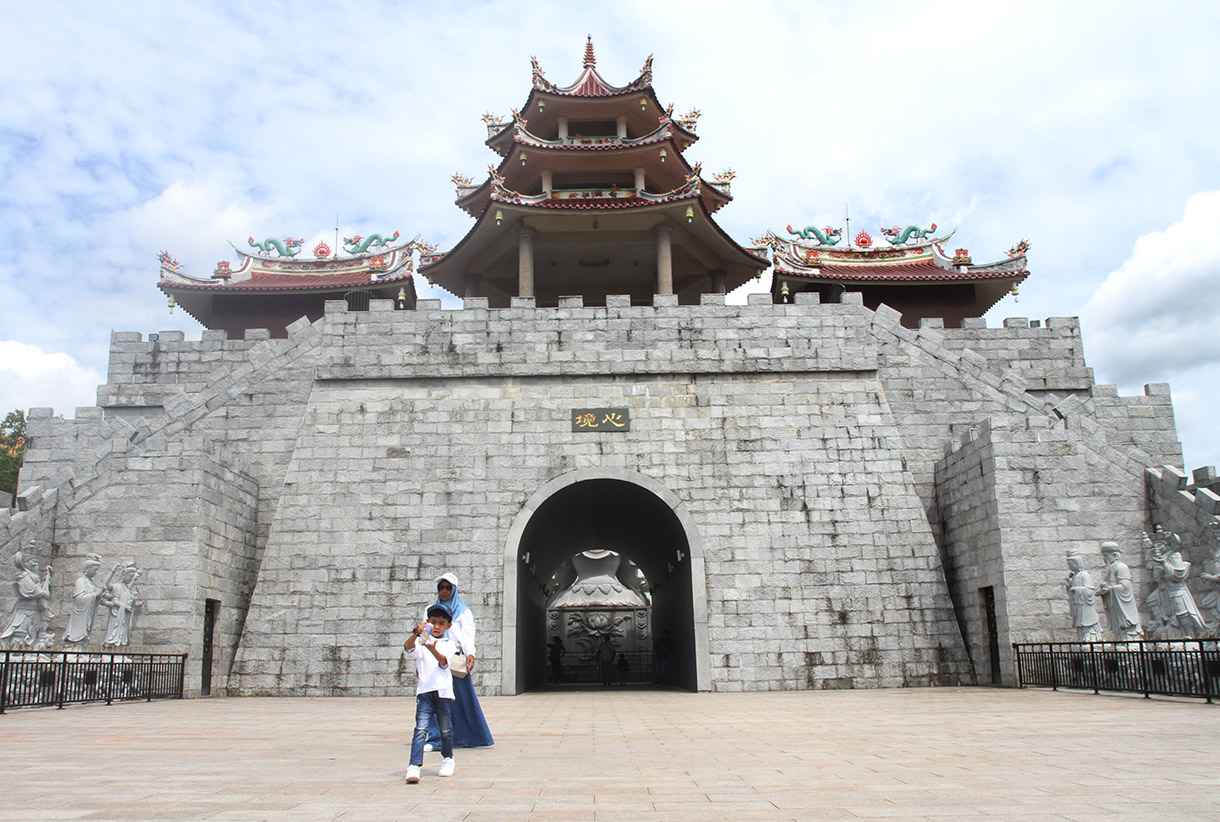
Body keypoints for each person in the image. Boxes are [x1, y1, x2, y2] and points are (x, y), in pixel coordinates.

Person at [424, 573, 493, 748]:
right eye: (441, 588)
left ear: (454, 590)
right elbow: (425, 633)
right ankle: (435, 738)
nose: (444, 591)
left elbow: (467, 636)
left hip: (453, 659)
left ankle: (469, 736)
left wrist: (471, 653)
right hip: (433, 658)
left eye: (448, 588)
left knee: (461, 699)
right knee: (434, 698)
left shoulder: (463, 611)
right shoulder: (430, 610)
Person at [403, 605, 457, 783]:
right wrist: (416, 633)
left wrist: (432, 648)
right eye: (433, 622)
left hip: (443, 693)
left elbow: (443, 662)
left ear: (448, 626)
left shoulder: (449, 644)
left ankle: (448, 759)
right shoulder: (422, 641)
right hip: (425, 692)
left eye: (441, 623)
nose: (436, 626)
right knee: (420, 729)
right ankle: (414, 765)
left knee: (446, 730)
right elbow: (408, 647)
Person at [1, 549, 53, 647]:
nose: (35, 564)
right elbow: (33, 591)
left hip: (35, 610)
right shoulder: (23, 576)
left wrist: (46, 580)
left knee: (32, 632)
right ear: (25, 563)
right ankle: (15, 652)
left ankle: (29, 652)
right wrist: (43, 592)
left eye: (37, 562)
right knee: (21, 631)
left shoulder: (34, 577)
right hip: (25, 611)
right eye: (33, 561)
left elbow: (42, 592)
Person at [65, 555, 116, 645]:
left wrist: (106, 601)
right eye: (94, 570)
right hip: (81, 614)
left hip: (89, 613)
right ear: (87, 568)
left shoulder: (91, 583)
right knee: (78, 633)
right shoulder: (81, 581)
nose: (96, 573)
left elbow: (99, 597)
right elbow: (79, 599)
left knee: (86, 632)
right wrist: (95, 594)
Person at [1098, 542, 1141, 639]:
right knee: (1117, 624)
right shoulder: (1110, 568)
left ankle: (1129, 637)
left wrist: (1110, 588)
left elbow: (1125, 586)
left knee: (1124, 622)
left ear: (1114, 555)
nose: (1105, 559)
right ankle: (1120, 637)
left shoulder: (1121, 567)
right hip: (1113, 601)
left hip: (1121, 600)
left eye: (1106, 556)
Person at [1064, 551, 1101, 641]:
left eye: (1071, 564)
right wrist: (1069, 585)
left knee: (1086, 621)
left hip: (1085, 605)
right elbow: (1070, 589)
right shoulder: (1074, 576)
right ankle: (1083, 637)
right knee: (1080, 622)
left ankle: (1091, 637)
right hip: (1078, 604)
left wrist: (1076, 589)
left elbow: (1089, 590)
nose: (1069, 566)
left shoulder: (1085, 575)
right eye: (1068, 564)